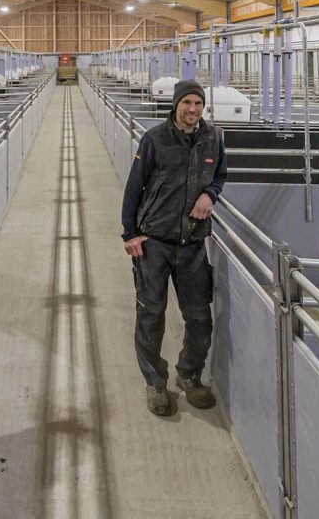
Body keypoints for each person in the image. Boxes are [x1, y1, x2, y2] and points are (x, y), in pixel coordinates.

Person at [121, 79, 227, 417]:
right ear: (176, 105)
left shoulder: (214, 137)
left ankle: (189, 376)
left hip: (194, 243)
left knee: (199, 317)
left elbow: (220, 175)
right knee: (151, 315)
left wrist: (210, 195)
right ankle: (155, 383)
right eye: (187, 103)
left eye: (198, 104)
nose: (193, 110)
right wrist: (130, 234)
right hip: (155, 244)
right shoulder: (154, 140)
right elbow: (134, 187)